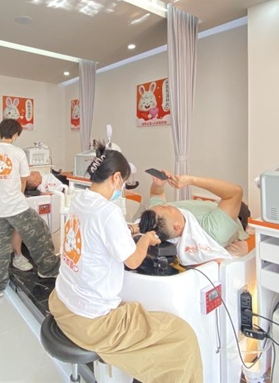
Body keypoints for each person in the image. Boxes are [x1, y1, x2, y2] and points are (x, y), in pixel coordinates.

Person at [49, 145, 203, 383]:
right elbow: (132, 261)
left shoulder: (80, 199)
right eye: (123, 182)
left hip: (61, 302)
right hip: (90, 322)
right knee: (182, 337)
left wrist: (126, 229)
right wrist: (146, 240)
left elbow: (94, 236)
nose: (122, 187)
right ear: (116, 177)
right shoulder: (108, 212)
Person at [0, 119, 60, 298]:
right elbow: (23, 181)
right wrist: (20, 195)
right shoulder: (18, 152)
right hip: (15, 206)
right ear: (15, 135)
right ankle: (48, 269)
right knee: (39, 231)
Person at [136, 170, 249, 247]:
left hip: (207, 206)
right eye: (168, 208)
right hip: (237, 216)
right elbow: (236, 192)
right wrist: (191, 180)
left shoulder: (157, 218)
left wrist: (158, 185)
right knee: (243, 208)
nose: (166, 205)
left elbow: (156, 194)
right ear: (178, 227)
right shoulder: (213, 230)